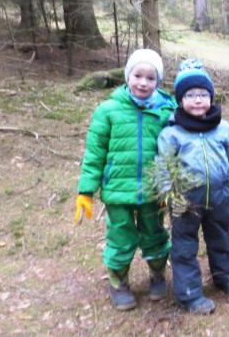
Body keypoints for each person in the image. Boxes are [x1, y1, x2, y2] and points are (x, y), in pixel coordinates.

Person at [73, 49, 176, 311]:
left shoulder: (167, 109)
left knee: (155, 233)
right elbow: (95, 153)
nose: (143, 82)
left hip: (153, 191)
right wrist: (86, 190)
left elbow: (176, 149)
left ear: (158, 81)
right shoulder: (108, 110)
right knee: (120, 237)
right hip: (118, 190)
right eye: (137, 75)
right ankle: (119, 282)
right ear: (128, 76)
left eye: (150, 78)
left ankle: (156, 275)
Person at [156, 59, 229, 315]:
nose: (197, 100)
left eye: (203, 95)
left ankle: (225, 277)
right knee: (184, 246)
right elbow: (163, 166)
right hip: (186, 201)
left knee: (221, 239)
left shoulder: (223, 128)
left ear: (211, 98)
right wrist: (168, 197)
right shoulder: (172, 133)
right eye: (191, 95)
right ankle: (190, 294)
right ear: (181, 100)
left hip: (219, 196)